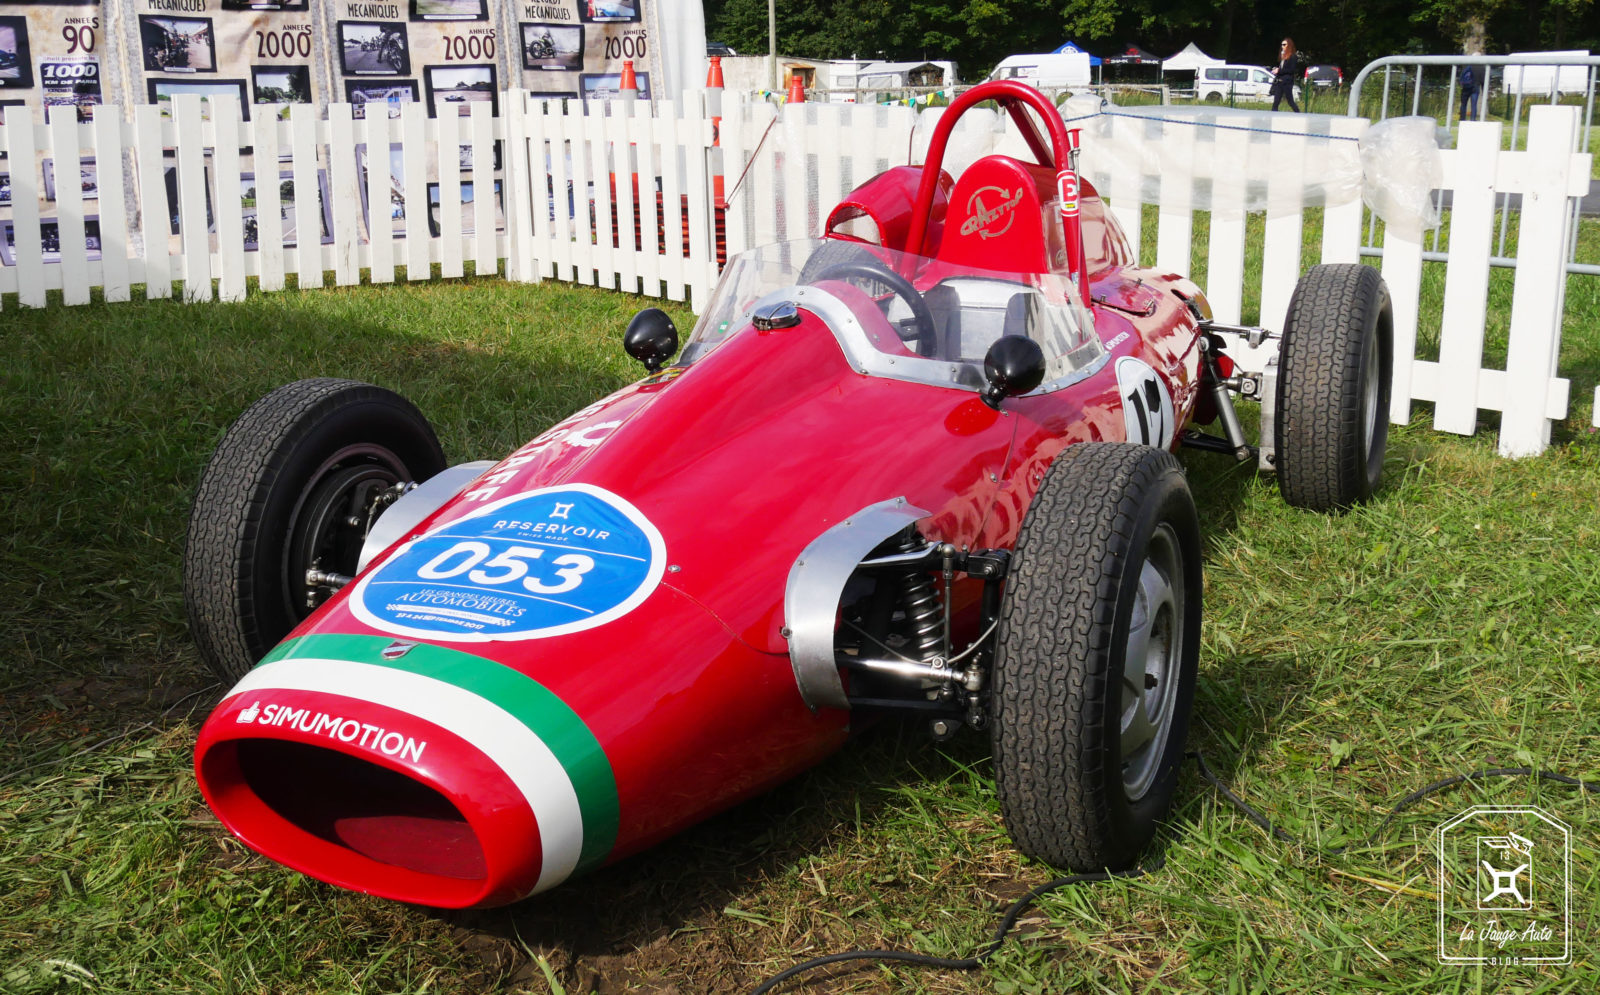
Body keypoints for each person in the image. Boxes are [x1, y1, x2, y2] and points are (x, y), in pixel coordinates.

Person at [1271, 38, 1300, 112]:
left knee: (1290, 101)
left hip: (1287, 82)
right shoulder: (1283, 57)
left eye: (1284, 45)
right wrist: (1277, 70)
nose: (1282, 46)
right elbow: (1282, 69)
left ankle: (1299, 114)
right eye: (1281, 45)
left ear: (1289, 45)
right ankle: (1273, 116)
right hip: (1279, 82)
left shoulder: (1293, 57)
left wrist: (1279, 70)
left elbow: (1291, 70)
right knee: (1276, 101)